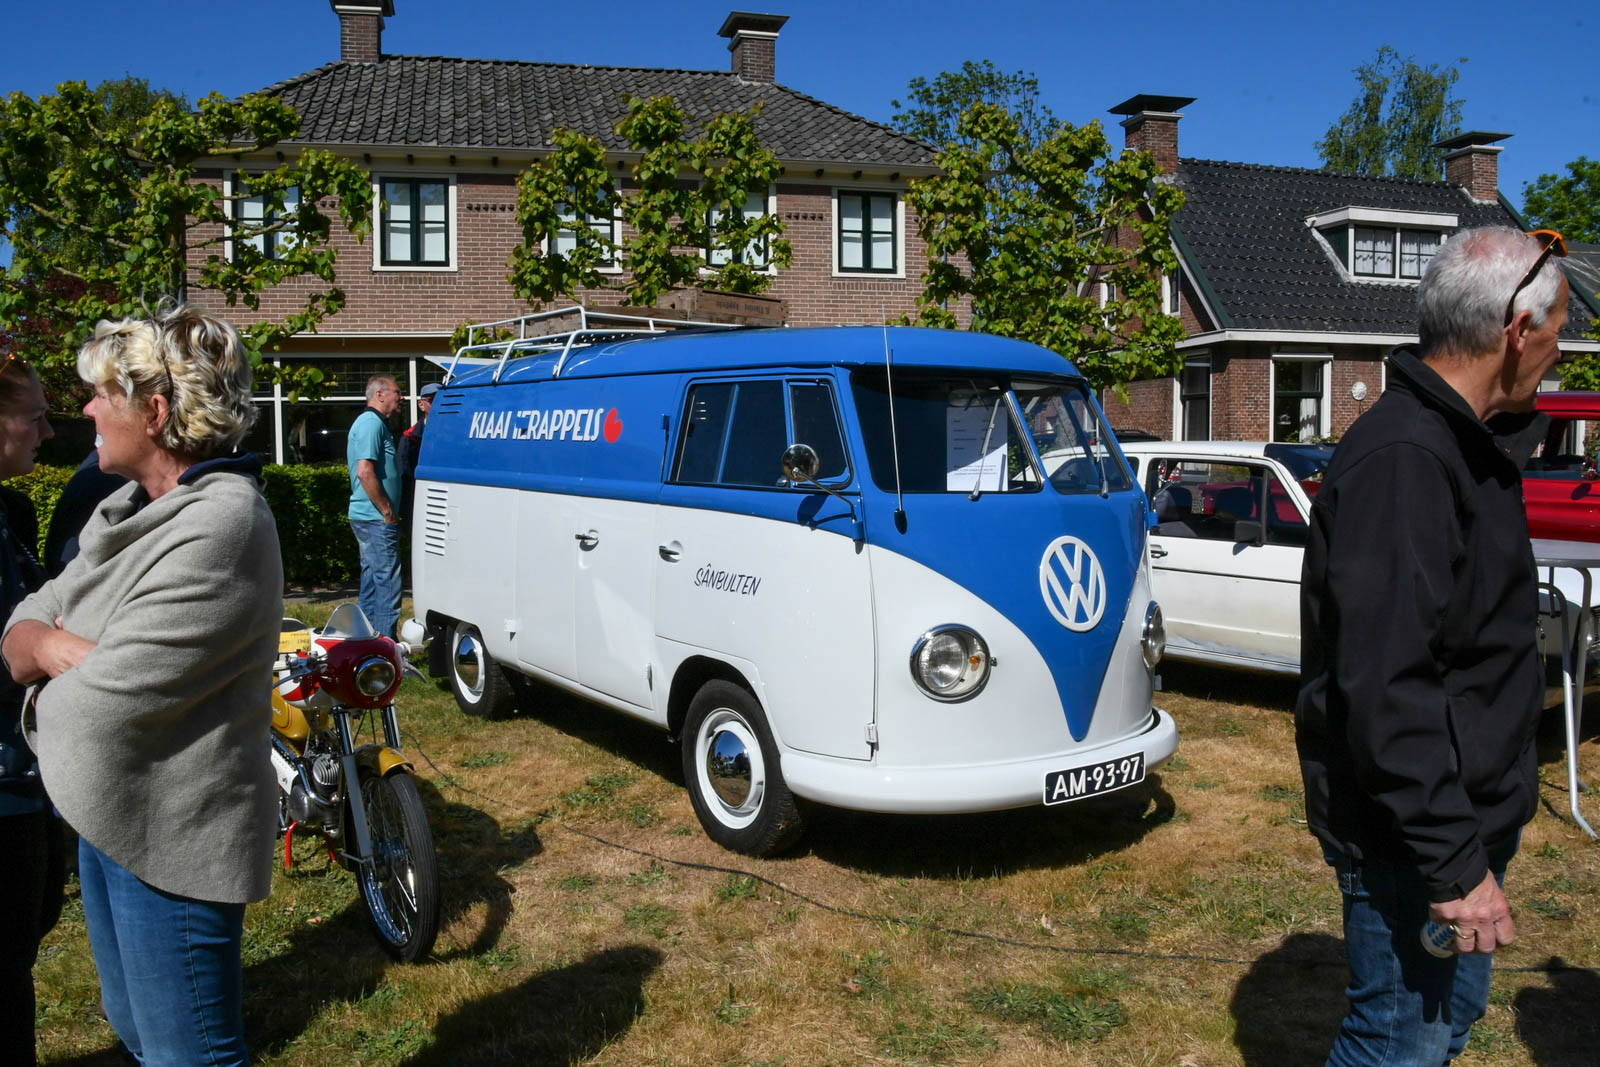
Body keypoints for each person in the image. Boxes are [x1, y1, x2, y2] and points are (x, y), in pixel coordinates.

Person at [1297, 226, 1570, 1065]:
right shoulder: (1406, 459)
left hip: (1461, 817)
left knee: (1444, 1028)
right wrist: (1454, 863)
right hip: (1412, 839)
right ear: (1516, 331)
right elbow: (1388, 687)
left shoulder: (1465, 442)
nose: (1562, 352)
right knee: (1396, 1045)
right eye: (1559, 330)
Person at [2, 306, 283, 1067]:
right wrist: (53, 643)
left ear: (155, 412)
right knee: (134, 1027)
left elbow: (101, 710)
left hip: (176, 834)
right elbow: (28, 618)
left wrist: (40, 655)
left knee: (191, 1055)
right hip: (116, 814)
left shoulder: (222, 523)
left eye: (101, 394)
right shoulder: (127, 509)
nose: (86, 410)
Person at [0, 350, 60, 1067]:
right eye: (34, 416)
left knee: (26, 935)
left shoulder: (12, 511)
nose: (48, 432)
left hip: (26, 774)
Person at [348, 374, 403, 638]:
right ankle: (384, 646)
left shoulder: (374, 423)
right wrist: (387, 511)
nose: (401, 397)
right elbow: (365, 472)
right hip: (375, 518)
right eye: (397, 391)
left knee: (372, 582)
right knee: (388, 584)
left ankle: (365, 641)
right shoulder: (371, 423)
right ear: (380, 394)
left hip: (369, 517)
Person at [397, 380, 439, 533]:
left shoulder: (458, 434)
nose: (439, 404)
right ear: (421, 405)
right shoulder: (410, 438)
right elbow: (404, 475)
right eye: (433, 400)